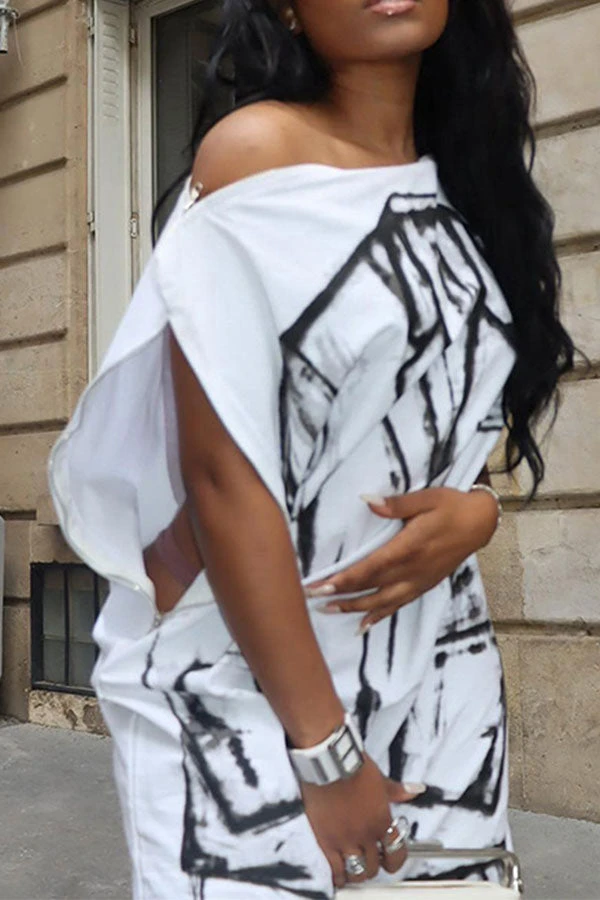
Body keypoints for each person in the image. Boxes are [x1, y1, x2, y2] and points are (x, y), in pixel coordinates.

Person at [48, 0, 575, 897]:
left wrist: (480, 513)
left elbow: (443, 423)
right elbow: (221, 475)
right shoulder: (257, 151)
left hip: (434, 669)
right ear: (287, 9)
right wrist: (324, 752)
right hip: (253, 683)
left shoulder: (465, 175)